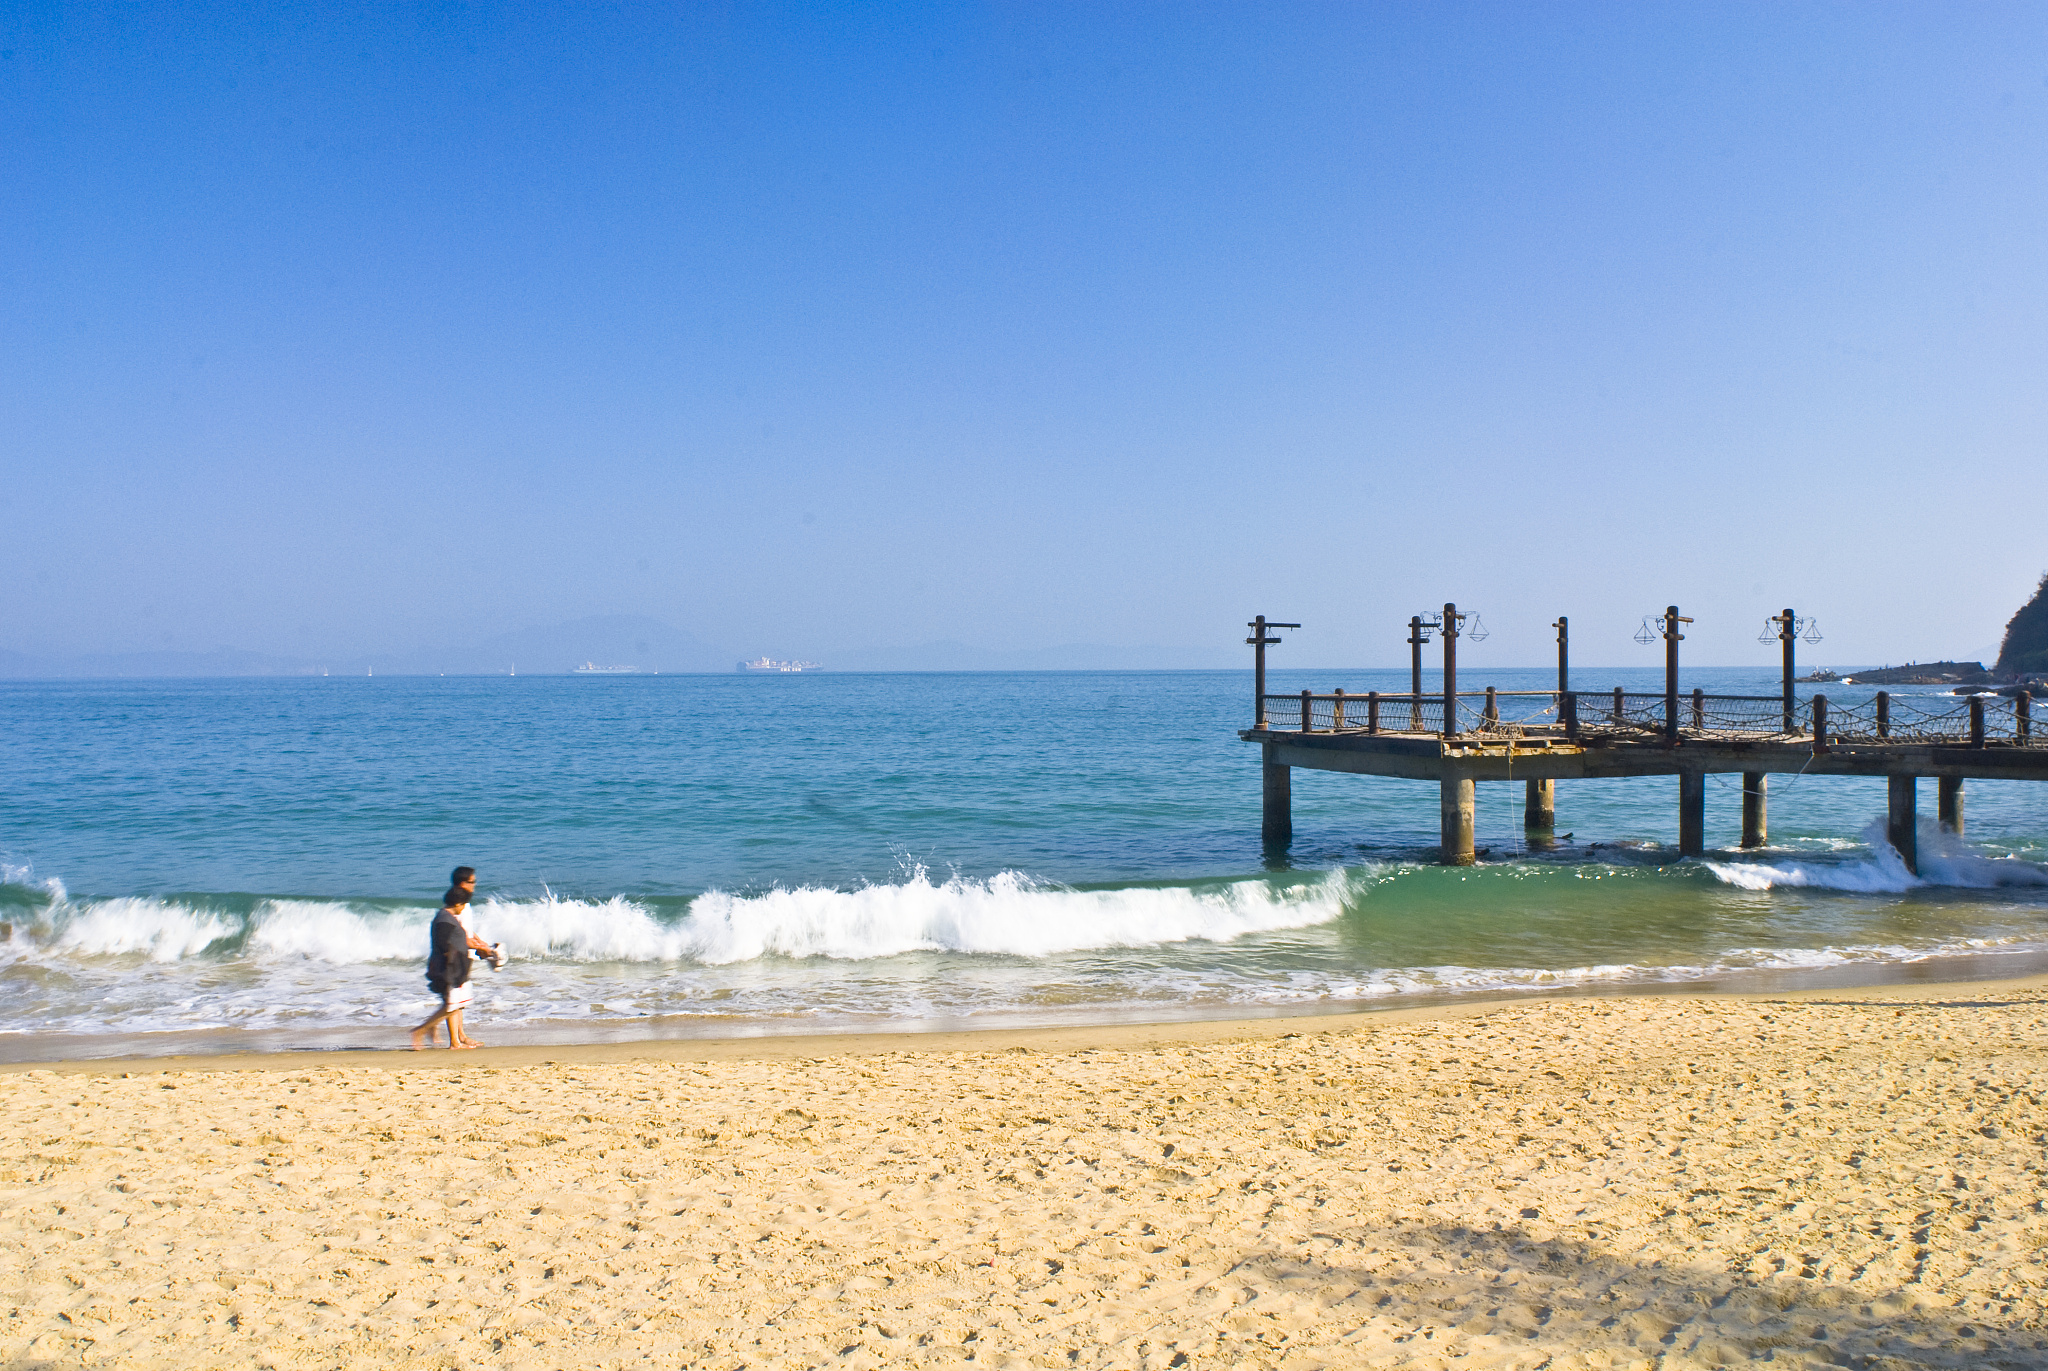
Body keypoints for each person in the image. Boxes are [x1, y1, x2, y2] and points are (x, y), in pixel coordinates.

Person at [410, 867, 500, 1050]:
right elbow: (457, 935)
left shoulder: (461, 904)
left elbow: (467, 931)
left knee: (459, 1001)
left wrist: (481, 943)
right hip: (454, 958)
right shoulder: (457, 906)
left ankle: (460, 1036)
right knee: (454, 1000)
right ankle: (452, 1040)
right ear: (462, 883)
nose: (475, 885)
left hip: (461, 956)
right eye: (472, 882)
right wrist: (482, 948)